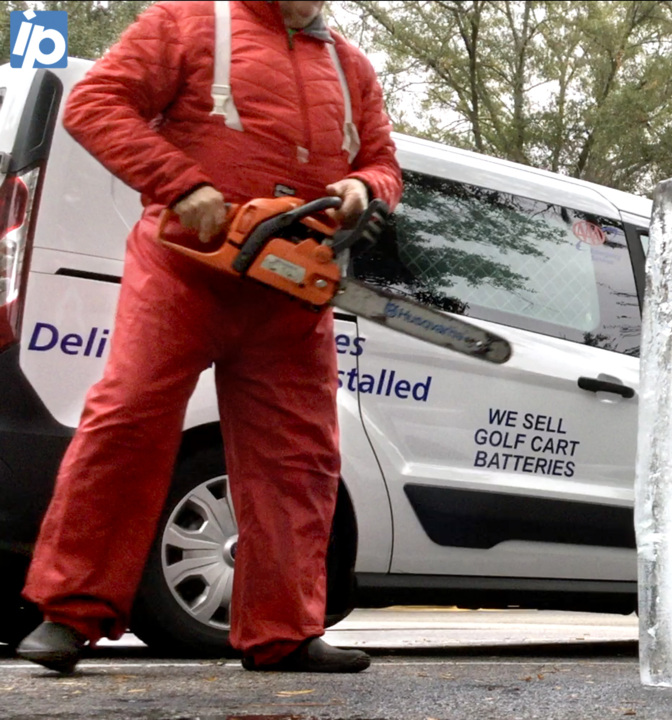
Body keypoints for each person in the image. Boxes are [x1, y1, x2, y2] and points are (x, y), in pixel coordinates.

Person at [16, 0, 402, 674]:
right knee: (127, 419)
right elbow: (96, 104)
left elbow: (384, 165)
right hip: (185, 270)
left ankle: (283, 630)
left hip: (288, 291)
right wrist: (179, 182)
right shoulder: (189, 23)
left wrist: (364, 189)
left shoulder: (351, 67)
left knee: (299, 458)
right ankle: (69, 610)